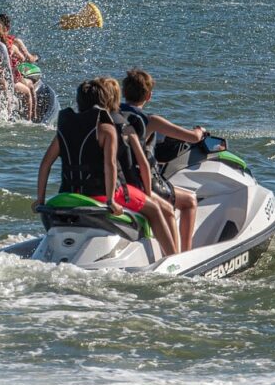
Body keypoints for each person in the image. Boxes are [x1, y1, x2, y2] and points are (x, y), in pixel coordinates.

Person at [34, 77, 179, 256]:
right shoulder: (106, 129)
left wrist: (40, 200)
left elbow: (45, 164)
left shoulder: (66, 129)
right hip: (102, 194)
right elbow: (110, 165)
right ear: (105, 101)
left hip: (68, 193)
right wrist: (111, 201)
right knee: (156, 209)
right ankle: (174, 258)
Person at [119, 69, 202, 253]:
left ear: (124, 93)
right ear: (149, 95)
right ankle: (184, 254)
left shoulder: (112, 116)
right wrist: (200, 131)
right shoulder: (150, 121)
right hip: (141, 183)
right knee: (189, 201)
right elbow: (192, 138)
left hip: (120, 181)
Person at [0, 15, 36, 120]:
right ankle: (31, 118)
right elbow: (26, 58)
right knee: (30, 87)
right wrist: (35, 57)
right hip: (12, 80)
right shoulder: (14, 43)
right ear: (7, 28)